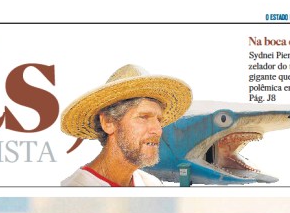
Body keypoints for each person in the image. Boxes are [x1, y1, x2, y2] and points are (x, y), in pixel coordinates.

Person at [60, 65, 192, 187]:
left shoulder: (151, 184)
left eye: (159, 120)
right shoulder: (74, 192)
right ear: (108, 122)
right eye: (143, 117)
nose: (158, 130)